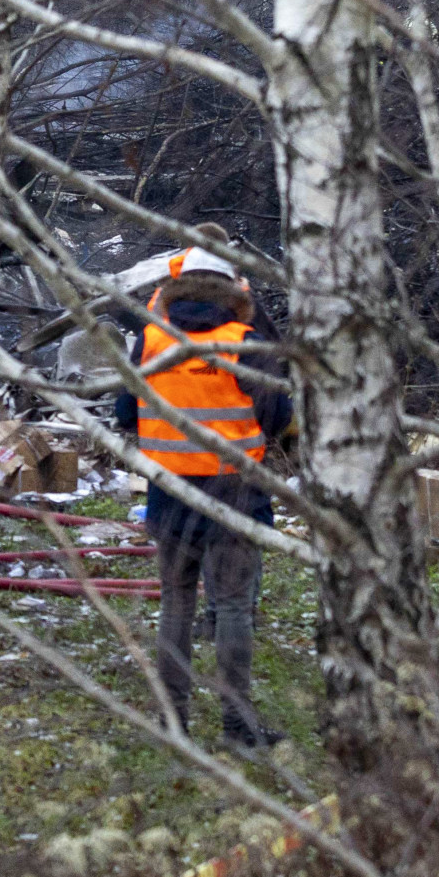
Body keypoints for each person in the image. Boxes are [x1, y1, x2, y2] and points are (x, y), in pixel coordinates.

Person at [113, 247, 291, 749]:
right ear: (233, 289)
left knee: (176, 603)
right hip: (235, 494)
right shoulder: (246, 343)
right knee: (232, 608)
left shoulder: (151, 339)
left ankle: (174, 724)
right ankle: (237, 728)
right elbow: (276, 419)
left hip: (169, 494)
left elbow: (126, 411)